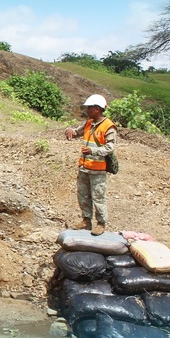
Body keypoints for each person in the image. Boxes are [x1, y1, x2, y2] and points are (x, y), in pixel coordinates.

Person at [65, 94, 117, 235]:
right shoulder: (89, 123)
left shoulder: (108, 126)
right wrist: (70, 131)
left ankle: (101, 223)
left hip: (98, 169)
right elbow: (76, 133)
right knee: (83, 195)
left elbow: (110, 147)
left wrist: (93, 151)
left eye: (89, 108)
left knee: (98, 196)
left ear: (97, 109)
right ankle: (86, 221)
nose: (87, 110)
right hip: (84, 167)